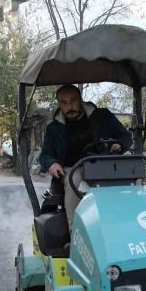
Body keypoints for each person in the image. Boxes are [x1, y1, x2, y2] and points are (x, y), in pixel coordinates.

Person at [38, 84, 132, 229]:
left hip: (104, 165)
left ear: (80, 99)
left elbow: (125, 136)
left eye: (73, 101)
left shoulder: (102, 116)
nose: (69, 107)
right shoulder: (54, 128)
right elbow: (45, 155)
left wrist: (120, 144)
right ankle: (76, 233)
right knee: (74, 181)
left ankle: (129, 227)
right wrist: (52, 164)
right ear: (59, 104)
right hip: (73, 168)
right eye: (64, 103)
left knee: (133, 184)